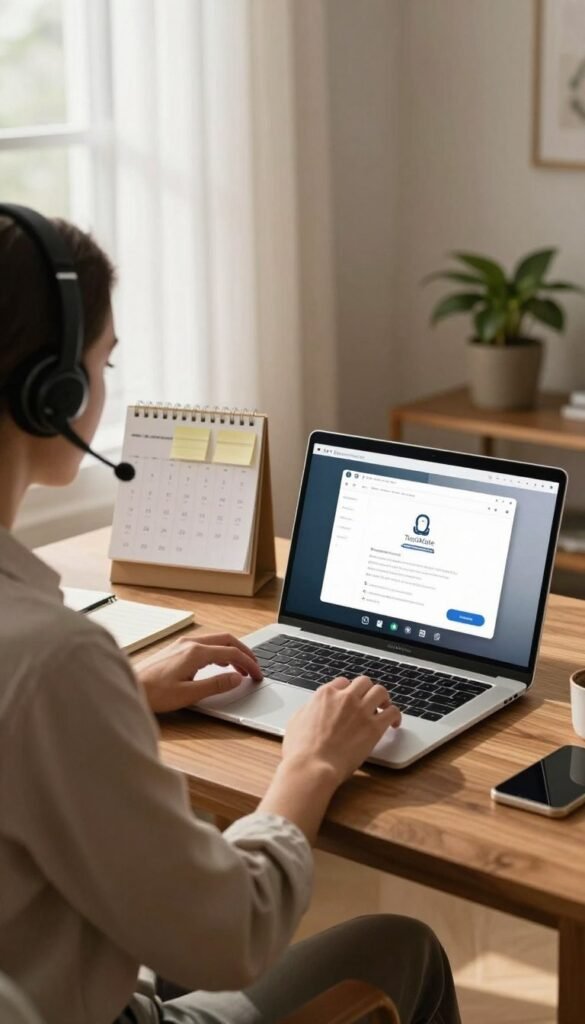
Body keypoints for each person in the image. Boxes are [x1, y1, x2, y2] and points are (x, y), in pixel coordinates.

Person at [0, 208, 461, 1024]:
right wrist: (311, 765)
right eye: (105, 361)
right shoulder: (51, 659)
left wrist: (123, 697)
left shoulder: (45, 668)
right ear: (51, 391)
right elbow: (230, 934)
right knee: (403, 946)